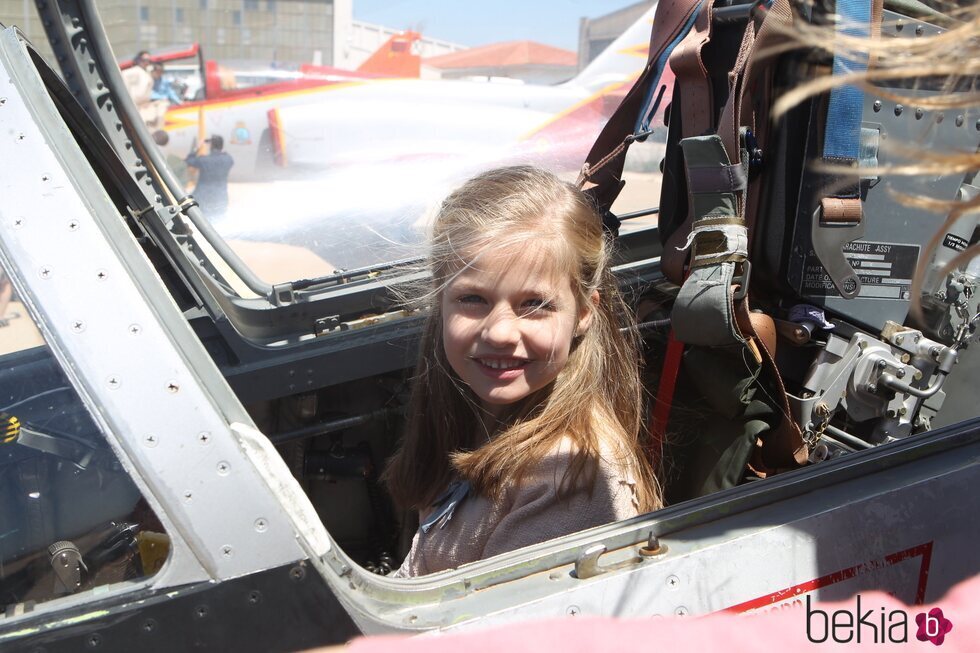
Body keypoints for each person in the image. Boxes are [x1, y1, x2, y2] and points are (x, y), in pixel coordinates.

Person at [383, 166, 662, 577]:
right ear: (440, 302)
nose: (499, 332)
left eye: (535, 304)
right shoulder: (477, 414)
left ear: (584, 313)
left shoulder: (569, 483)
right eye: (473, 298)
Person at [185, 135, 234, 219]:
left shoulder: (203, 160)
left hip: (203, 198)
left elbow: (189, 160)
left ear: (211, 146)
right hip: (221, 198)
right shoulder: (228, 159)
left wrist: (197, 147)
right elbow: (226, 156)